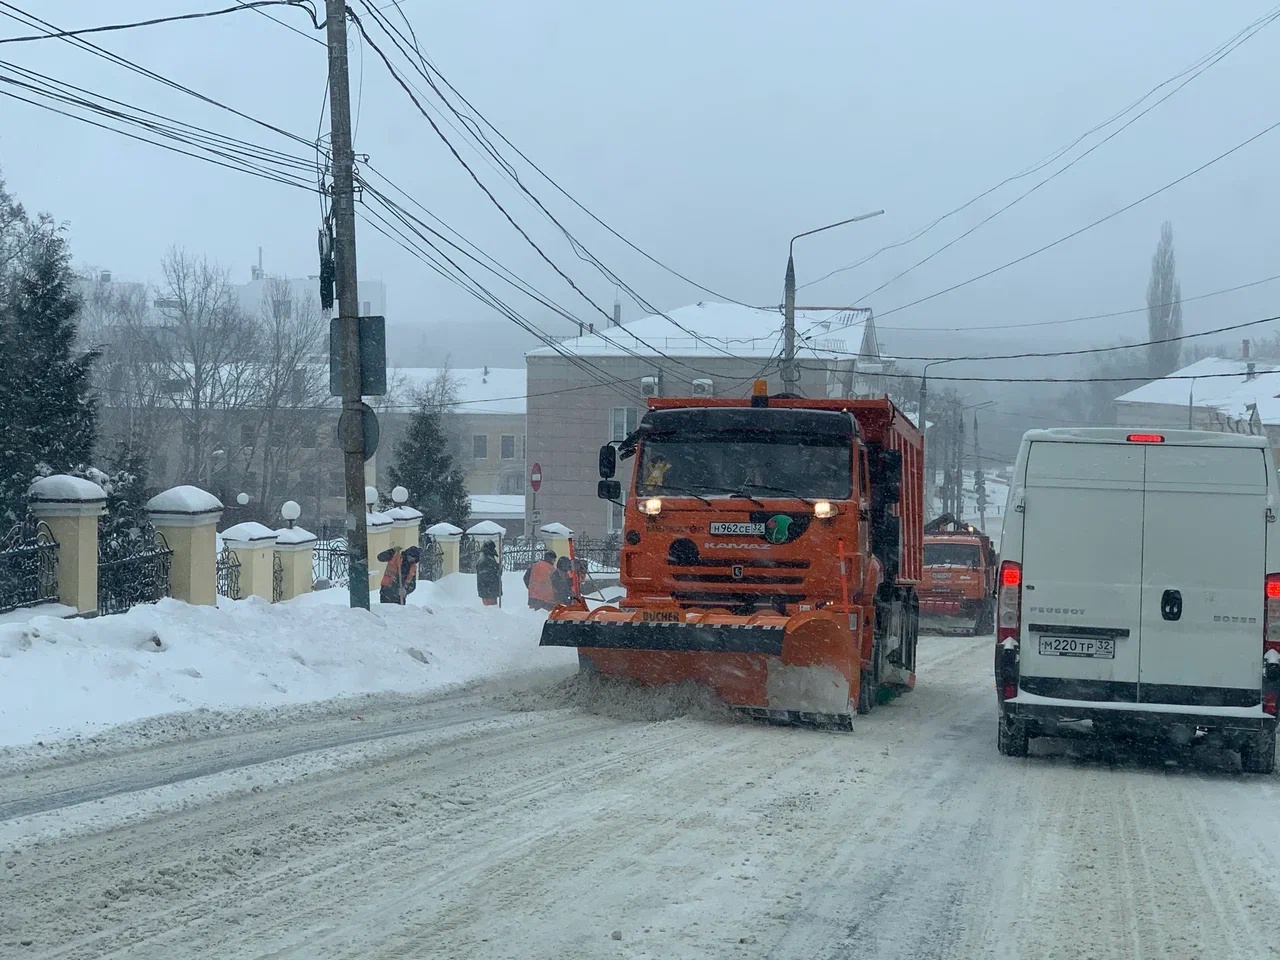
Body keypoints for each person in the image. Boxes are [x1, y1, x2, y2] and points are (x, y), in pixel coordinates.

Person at [475, 540, 503, 607]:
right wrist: (496, 572)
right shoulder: (484, 560)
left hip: (491, 590)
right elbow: (485, 576)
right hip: (488, 590)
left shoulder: (489, 557)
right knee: (490, 609)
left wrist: (498, 570)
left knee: (493, 609)